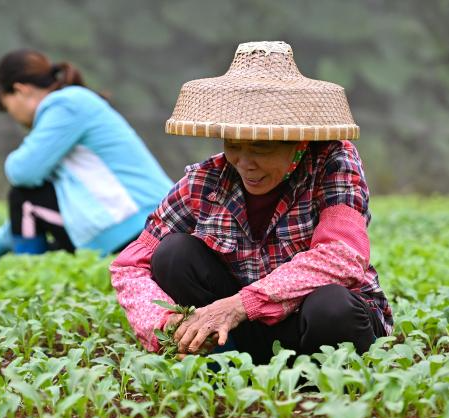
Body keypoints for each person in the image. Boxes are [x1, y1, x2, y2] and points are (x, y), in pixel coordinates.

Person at [110, 41, 393, 364]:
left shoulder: (331, 162)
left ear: (298, 141)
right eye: (234, 145)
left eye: (261, 147)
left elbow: (342, 257)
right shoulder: (206, 180)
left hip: (315, 327)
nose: (245, 162)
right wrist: (164, 322)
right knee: (174, 254)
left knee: (332, 307)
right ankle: (229, 363)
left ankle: (313, 382)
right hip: (248, 331)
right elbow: (129, 266)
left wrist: (240, 305)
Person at [0, 49, 173, 259]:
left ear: (20, 90)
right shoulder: (73, 105)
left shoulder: (66, 105)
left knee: (23, 195)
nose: (14, 117)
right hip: (145, 224)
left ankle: (27, 273)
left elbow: (22, 172)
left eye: (8, 107)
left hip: (140, 227)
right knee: (29, 198)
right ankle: (31, 270)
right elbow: (29, 211)